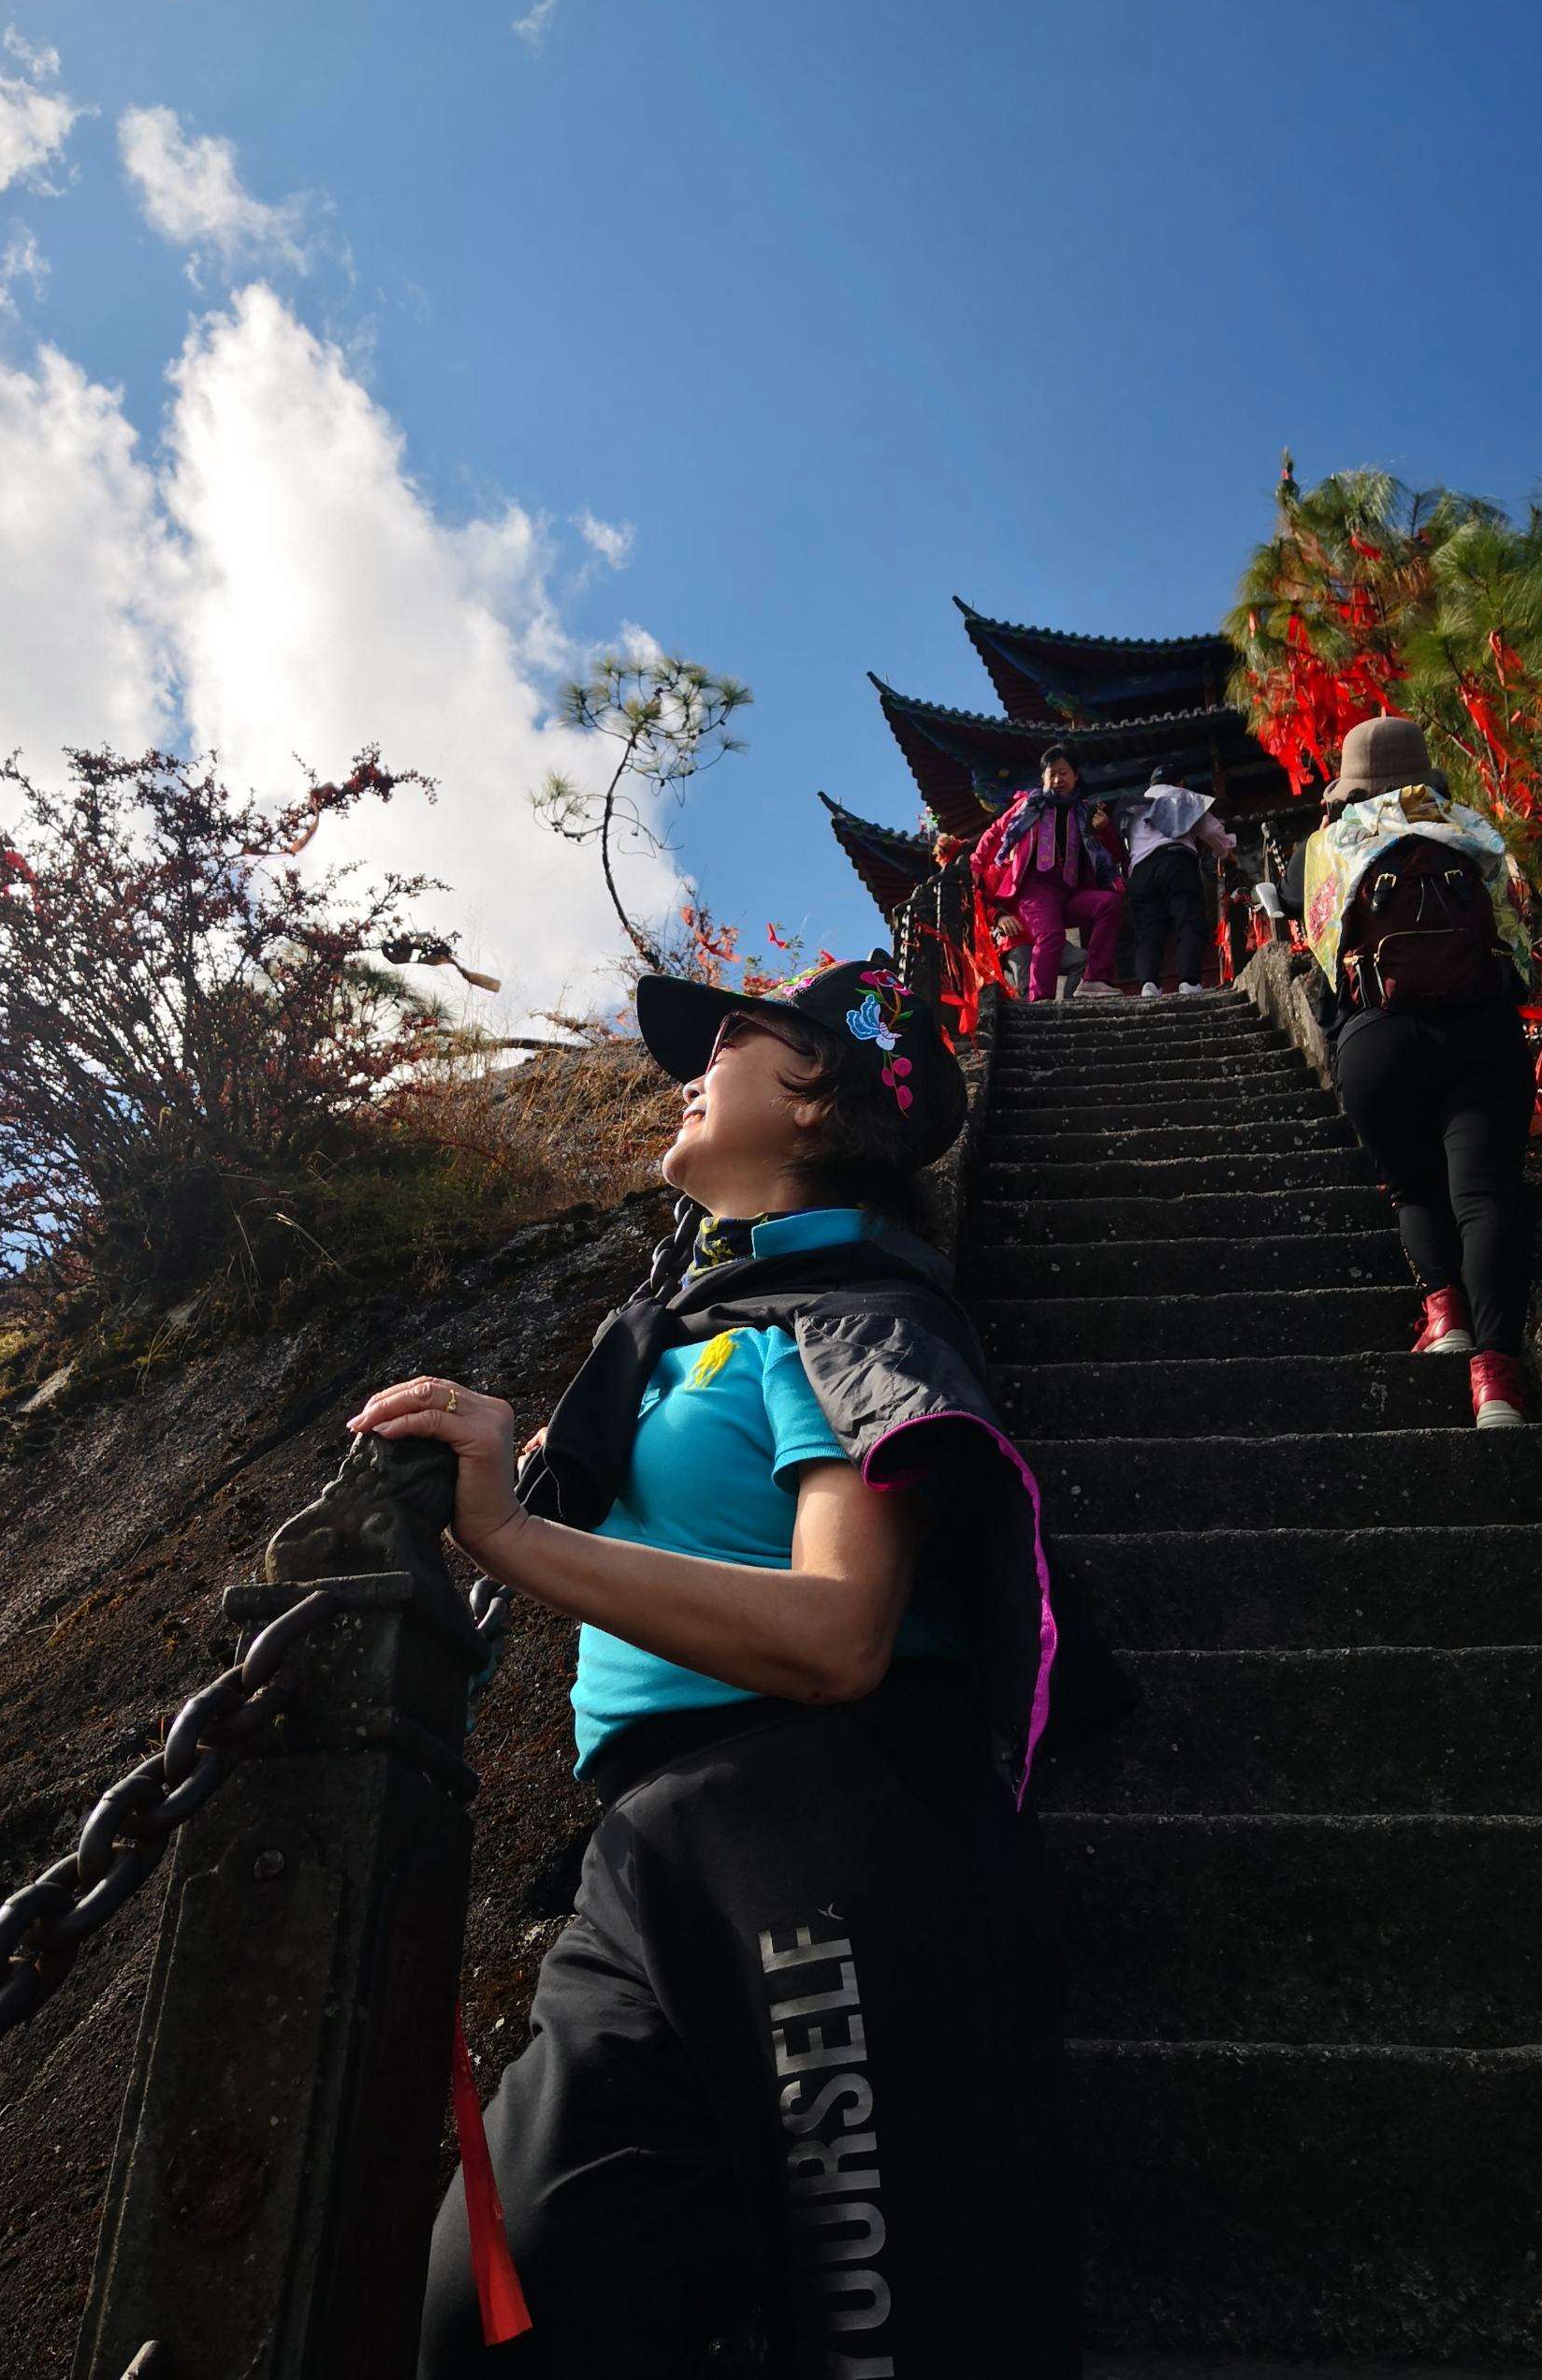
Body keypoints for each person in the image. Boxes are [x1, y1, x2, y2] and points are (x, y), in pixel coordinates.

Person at [351, 952, 1094, 2378]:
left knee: (885, 2328)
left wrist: (502, 1527)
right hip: (643, 1851)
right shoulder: (692, 1326)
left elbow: (837, 1634)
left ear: (821, 1101)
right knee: (486, 2310)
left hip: (818, 1821)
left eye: (739, 1038)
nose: (691, 1066)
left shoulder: (853, 1314)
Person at [1281, 717, 1536, 1429]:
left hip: (1378, 1041)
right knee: (1485, 1195)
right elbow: (1518, 928)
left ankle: (1443, 1309)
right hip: (1480, 1029)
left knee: (1413, 1185)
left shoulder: (1327, 844)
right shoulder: (1470, 827)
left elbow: (1298, 907)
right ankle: (1497, 1382)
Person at [972, 743, 1127, 1000]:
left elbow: (1114, 855)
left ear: (1076, 775)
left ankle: (1094, 980)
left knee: (1108, 903)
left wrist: (1105, 830)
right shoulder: (1028, 805)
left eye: (1064, 772)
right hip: (1034, 890)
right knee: (1051, 935)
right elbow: (995, 833)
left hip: (1069, 892)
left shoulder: (1086, 811)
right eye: (1051, 774)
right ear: (1043, 778)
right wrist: (976, 865)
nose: (1058, 779)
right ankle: (1039, 1000)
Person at [1121, 758, 1237, 997]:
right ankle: (1189, 982)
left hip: (1141, 872)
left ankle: (1148, 986)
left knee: (1148, 931)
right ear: (1180, 782)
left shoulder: (1132, 808)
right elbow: (1211, 831)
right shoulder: (1183, 797)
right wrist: (1227, 852)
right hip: (1176, 863)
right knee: (1188, 920)